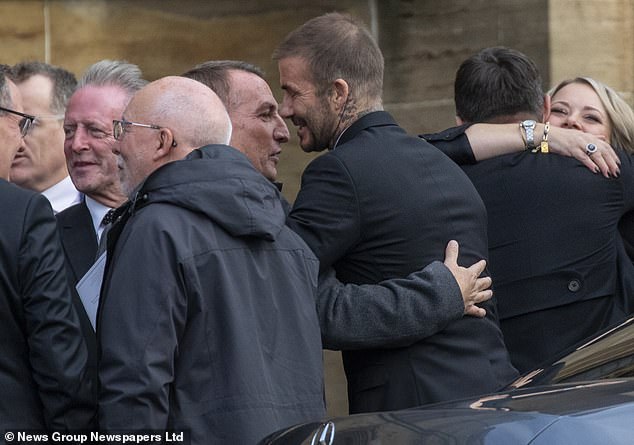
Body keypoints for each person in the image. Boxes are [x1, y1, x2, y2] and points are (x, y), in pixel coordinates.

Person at [273, 13, 518, 414]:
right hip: (491, 395)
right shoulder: (443, 167)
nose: (285, 110)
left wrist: (439, 294)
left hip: (413, 413)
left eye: (291, 93)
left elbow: (291, 294)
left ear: (338, 93)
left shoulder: (338, 172)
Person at [181, 60, 494, 350]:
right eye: (265, 115)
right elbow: (313, 308)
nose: (283, 130)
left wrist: (535, 136)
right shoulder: (173, 222)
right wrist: (442, 294)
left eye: (284, 105)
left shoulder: (253, 209)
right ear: (208, 122)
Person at [97, 76, 325, 444]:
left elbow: (134, 383)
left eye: (123, 128)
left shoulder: (158, 227)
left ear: (162, 141)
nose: (115, 143)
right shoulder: (289, 237)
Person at [423, 47, 634, 372]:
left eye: (591, 117)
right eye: (561, 114)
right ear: (544, 115)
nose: (573, 125)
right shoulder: (494, 176)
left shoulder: (615, 178)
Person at [0, 65, 94, 432]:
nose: (21, 140)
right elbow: (59, 356)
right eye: (18, 122)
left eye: (31, 123)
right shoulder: (23, 213)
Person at [57, 60, 146, 402]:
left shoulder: (174, 228)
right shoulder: (41, 237)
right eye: (68, 130)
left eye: (94, 131)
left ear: (132, 135)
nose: (76, 144)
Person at [10, 61, 80, 213]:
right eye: (8, 125)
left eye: (27, 124)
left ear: (68, 127)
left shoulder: (102, 210)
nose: (16, 140)